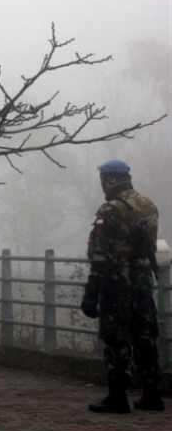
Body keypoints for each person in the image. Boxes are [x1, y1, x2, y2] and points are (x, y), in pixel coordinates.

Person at [81, 160, 165, 413]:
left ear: (109, 180)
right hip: (142, 279)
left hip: (116, 281)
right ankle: (152, 395)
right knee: (144, 335)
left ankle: (118, 397)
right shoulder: (148, 205)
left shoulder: (110, 210)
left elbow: (101, 256)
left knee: (116, 337)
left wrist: (91, 292)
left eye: (102, 180)